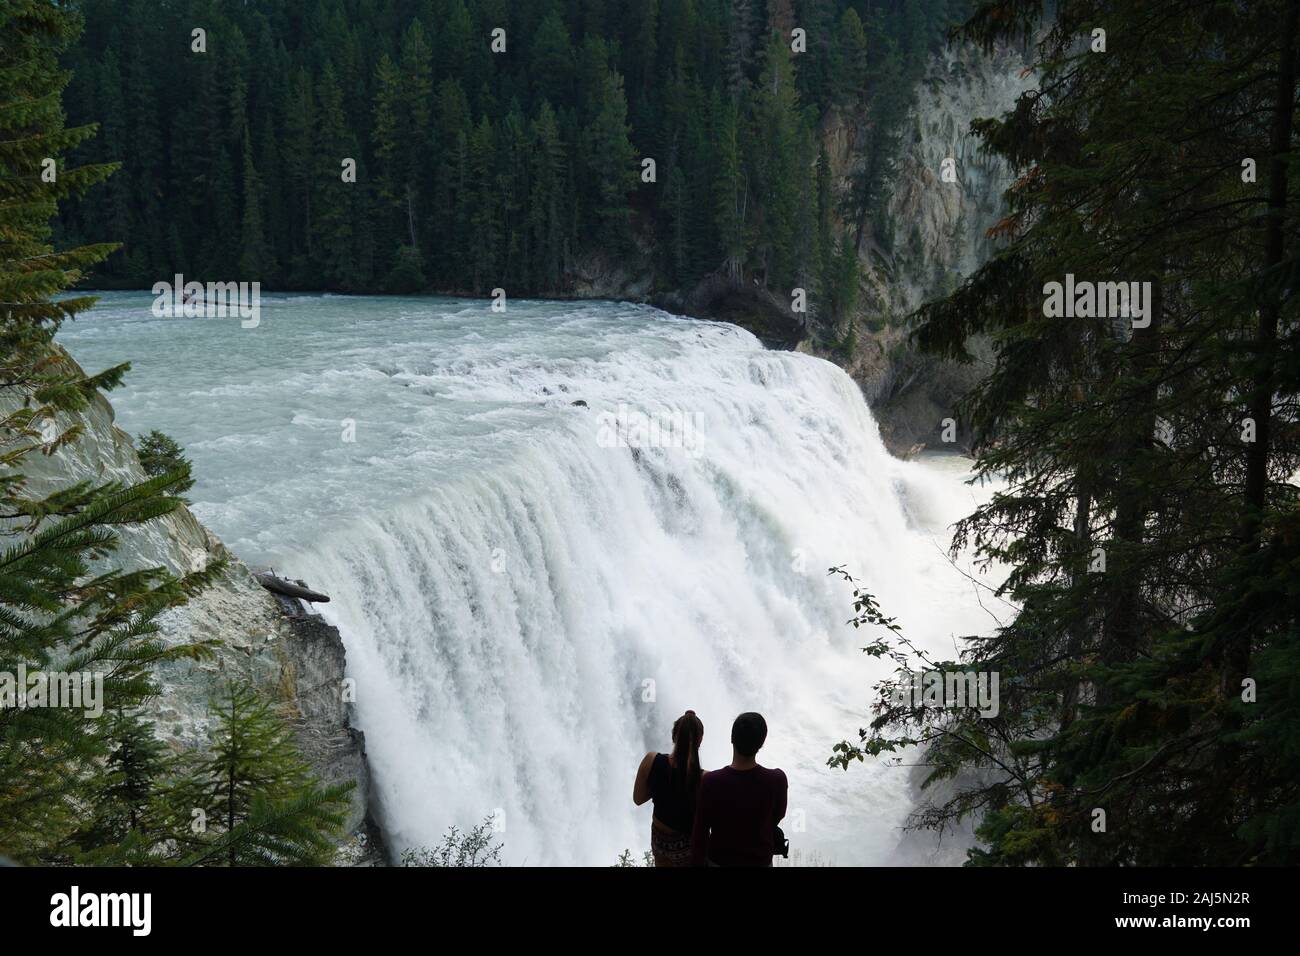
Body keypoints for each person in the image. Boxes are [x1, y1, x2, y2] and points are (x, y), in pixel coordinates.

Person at [690, 712, 787, 867]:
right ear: (761, 743)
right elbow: (777, 816)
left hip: (720, 860)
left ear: (732, 739)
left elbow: (700, 833)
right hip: (759, 861)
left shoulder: (711, 782)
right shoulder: (776, 779)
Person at [633, 709, 705, 866]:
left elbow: (638, 799)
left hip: (660, 842)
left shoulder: (651, 760)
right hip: (687, 848)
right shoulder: (704, 778)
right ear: (700, 741)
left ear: (673, 736)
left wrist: (660, 787)